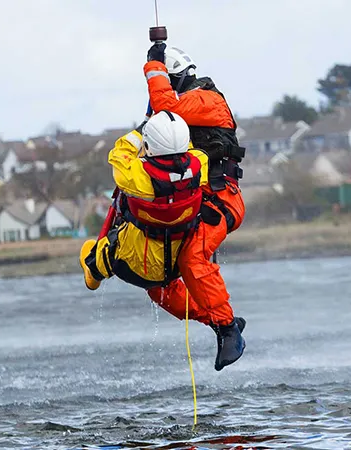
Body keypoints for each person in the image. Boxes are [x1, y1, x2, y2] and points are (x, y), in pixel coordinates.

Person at [141, 43, 248, 370]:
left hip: (220, 197)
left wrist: (152, 68)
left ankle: (228, 327)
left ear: (177, 78)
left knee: (192, 258)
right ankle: (220, 323)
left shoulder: (207, 100)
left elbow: (164, 107)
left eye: (165, 80)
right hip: (188, 203)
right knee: (157, 284)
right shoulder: (172, 115)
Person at [79, 110, 208, 294]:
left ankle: (94, 273)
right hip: (178, 266)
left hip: (133, 267)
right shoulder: (200, 165)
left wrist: (142, 129)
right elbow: (190, 150)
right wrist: (172, 130)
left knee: (103, 251)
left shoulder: (136, 176)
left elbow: (119, 154)